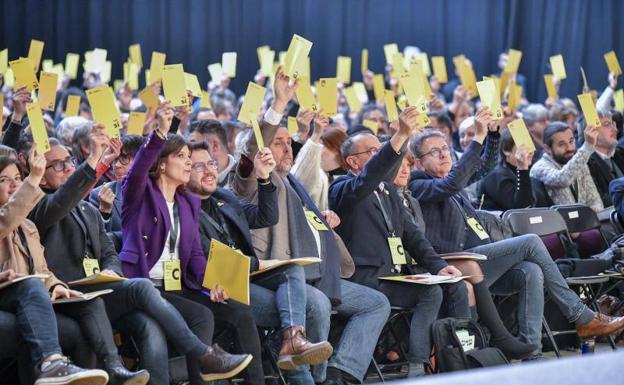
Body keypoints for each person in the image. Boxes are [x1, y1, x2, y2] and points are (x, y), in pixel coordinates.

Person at [329, 108, 534, 376]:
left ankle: (453, 359)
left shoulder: (388, 192)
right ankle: (421, 365)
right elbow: (370, 177)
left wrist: (438, 267)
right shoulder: (343, 189)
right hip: (366, 278)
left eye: (380, 149)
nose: (380, 155)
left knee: (451, 285)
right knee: (435, 291)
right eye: (372, 151)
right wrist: (401, 135)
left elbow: (413, 236)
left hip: (396, 276)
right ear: (352, 162)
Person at [230, 67, 391, 385]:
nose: (287, 148)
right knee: (315, 304)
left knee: (376, 303)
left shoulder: (291, 181)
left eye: (288, 142)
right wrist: (279, 104)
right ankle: (310, 378)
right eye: (278, 143)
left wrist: (321, 221)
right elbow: (252, 149)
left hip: (318, 273)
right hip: (274, 274)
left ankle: (339, 372)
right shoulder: (252, 180)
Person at [409, 126, 624, 358]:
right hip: (458, 263)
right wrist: (478, 137)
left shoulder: (450, 182)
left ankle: (532, 352)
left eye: (444, 148)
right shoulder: (420, 185)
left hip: (483, 262)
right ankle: (580, 315)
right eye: (434, 152)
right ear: (420, 163)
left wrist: (491, 135)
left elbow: (484, 167)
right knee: (530, 241)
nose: (444, 154)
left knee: (531, 271)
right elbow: (453, 182)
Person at [119, 101, 257, 384]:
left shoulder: (188, 203)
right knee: (189, 322)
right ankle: (208, 362)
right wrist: (159, 131)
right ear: (162, 163)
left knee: (229, 310)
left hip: (176, 287)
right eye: (182, 157)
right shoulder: (139, 196)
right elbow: (137, 171)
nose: (189, 163)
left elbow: (194, 256)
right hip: (143, 286)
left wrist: (214, 284)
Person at [187, 141, 334, 371]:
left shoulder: (223, 198)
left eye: (211, 163)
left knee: (293, 273)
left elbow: (265, 217)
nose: (208, 170)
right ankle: (294, 349)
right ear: (184, 170)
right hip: (220, 285)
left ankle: (293, 340)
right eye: (199, 166)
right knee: (299, 309)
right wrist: (260, 263)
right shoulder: (183, 208)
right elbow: (209, 258)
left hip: (250, 275)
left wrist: (264, 178)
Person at [0, 150, 109, 385]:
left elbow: (43, 270)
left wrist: (56, 285)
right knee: (29, 291)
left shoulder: (28, 225)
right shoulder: (10, 218)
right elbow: (7, 219)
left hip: (28, 301)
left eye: (18, 178)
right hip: (9, 299)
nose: (13, 185)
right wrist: (32, 180)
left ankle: (99, 369)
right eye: (3, 180)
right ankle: (50, 362)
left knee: (77, 331)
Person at [530, 122, 603, 211]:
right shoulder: (539, 168)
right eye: (561, 144)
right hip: (558, 224)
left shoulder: (579, 162)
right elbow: (563, 179)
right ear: (547, 148)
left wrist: (595, 209)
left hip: (586, 222)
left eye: (571, 141)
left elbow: (595, 199)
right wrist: (587, 147)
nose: (569, 148)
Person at [291, 115, 348, 211]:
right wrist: (313, 133)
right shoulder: (319, 175)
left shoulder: (352, 179)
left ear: (337, 150)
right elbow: (304, 166)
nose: (318, 150)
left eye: (322, 145)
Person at [480, 129, 535, 210]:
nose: (530, 151)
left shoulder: (530, 171)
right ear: (506, 150)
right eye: (523, 146)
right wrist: (523, 169)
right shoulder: (495, 176)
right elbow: (521, 208)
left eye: (530, 145)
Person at [586, 109, 624, 207]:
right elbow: (602, 201)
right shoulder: (586, 163)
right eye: (607, 125)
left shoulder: (620, 153)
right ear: (591, 132)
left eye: (613, 124)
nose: (615, 129)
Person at [188, 119, 237, 187]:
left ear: (215, 146)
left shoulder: (242, 180)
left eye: (197, 146)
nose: (191, 151)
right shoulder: (190, 176)